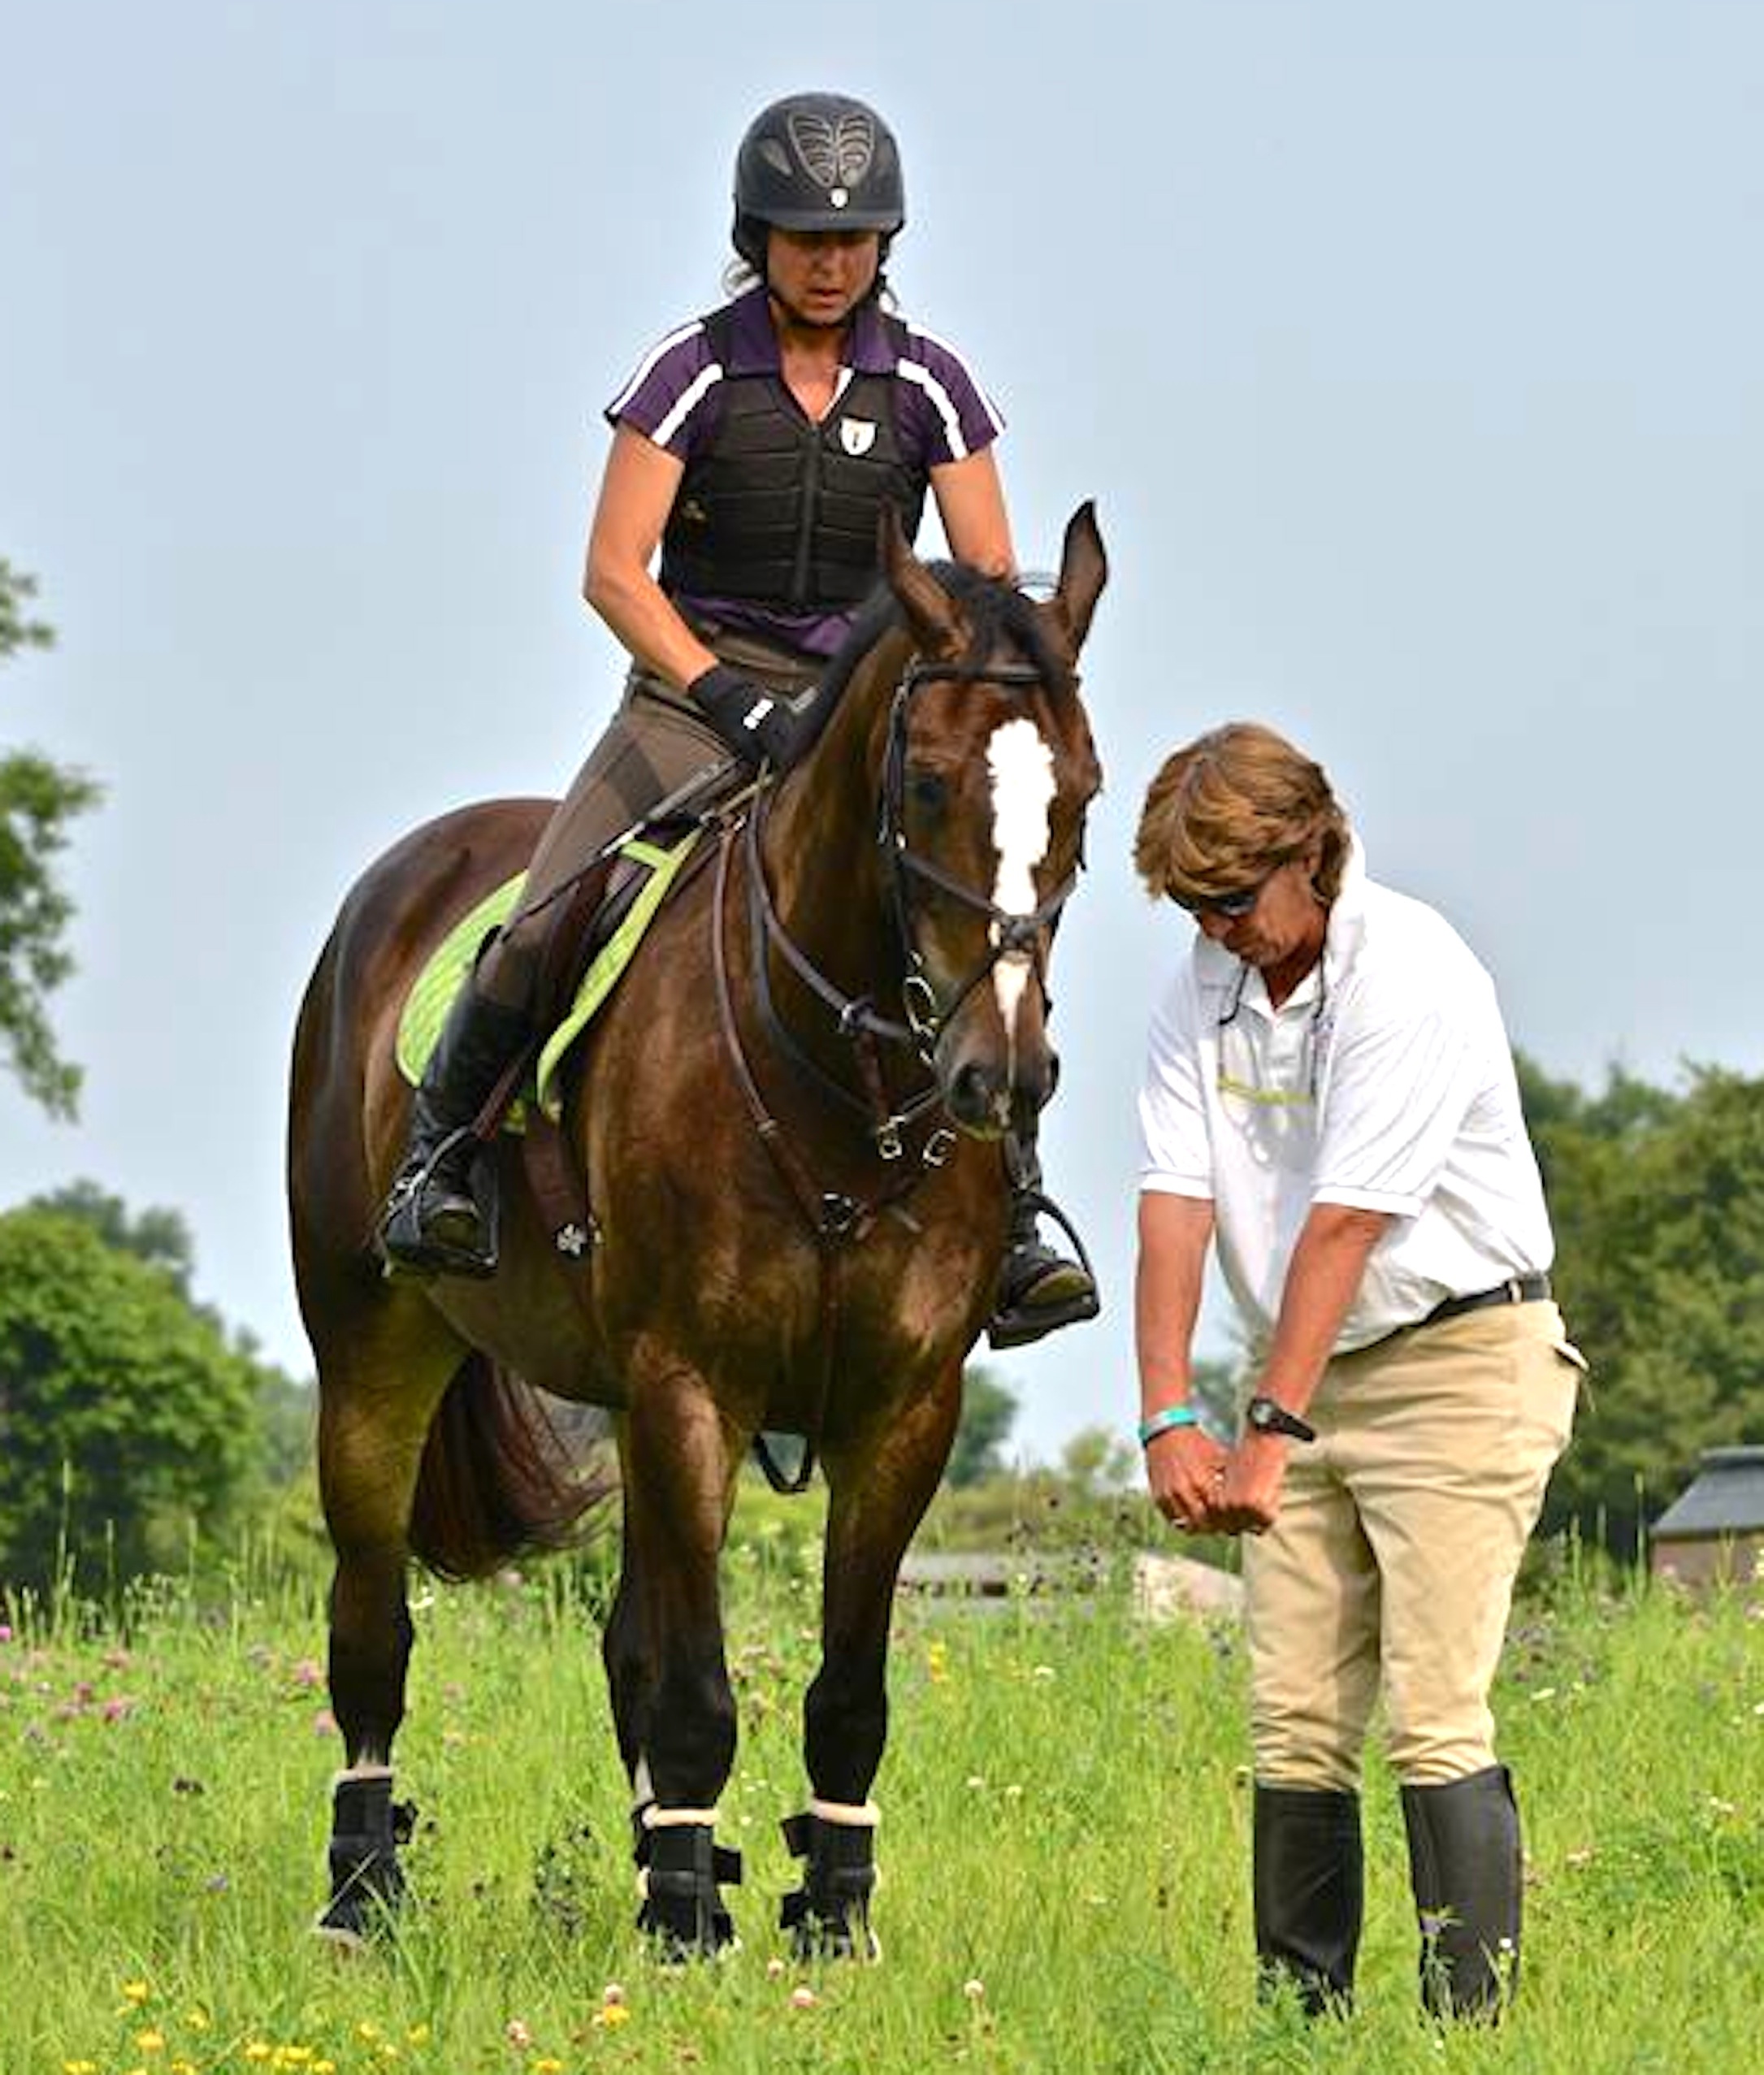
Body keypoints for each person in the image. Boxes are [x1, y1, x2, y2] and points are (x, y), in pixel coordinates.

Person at [377, 91, 1097, 1348]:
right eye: (804, 239)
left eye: (855, 240)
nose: (830, 262)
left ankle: (1020, 1209)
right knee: (547, 911)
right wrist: (727, 695)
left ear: (888, 244)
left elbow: (985, 577)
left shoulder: (932, 381)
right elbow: (613, 569)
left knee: (990, 919)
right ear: (754, 236)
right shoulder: (692, 369)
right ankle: (437, 1166)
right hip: (692, 699)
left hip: (873, 707)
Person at [1129, 722, 1584, 2021]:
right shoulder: (1197, 991)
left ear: (1311, 855)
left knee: (1433, 1712)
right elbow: (1174, 1200)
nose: (1217, 928)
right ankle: (1299, 2029)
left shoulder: (1414, 971)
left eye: (1232, 899)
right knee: (1290, 1717)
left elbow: (1344, 1221)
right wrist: (1170, 1413)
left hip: (1458, 1359)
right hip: (1309, 1374)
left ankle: (1464, 2036)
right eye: (1192, 905)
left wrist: (1265, 1429)